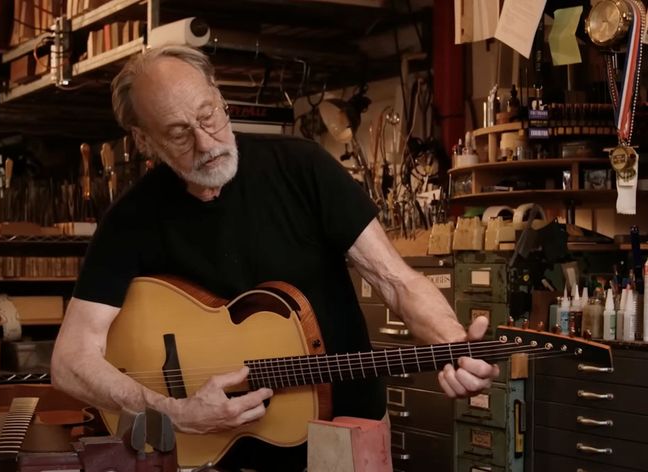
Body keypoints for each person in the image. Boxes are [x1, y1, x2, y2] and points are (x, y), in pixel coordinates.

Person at [51, 45, 499, 471]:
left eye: (208, 116)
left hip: (345, 438)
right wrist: (176, 412)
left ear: (220, 96)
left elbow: (397, 281)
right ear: (144, 141)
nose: (206, 144)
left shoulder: (302, 168)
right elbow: (70, 360)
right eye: (178, 133)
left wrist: (452, 342)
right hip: (216, 456)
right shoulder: (131, 218)